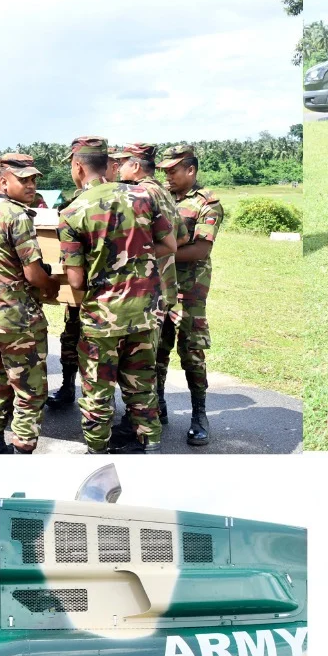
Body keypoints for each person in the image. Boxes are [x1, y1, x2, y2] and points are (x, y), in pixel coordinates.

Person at [58, 136, 174, 454]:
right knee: (142, 384)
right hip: (146, 311)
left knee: (97, 389)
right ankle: (148, 445)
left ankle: (97, 449)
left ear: (78, 166)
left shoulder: (72, 212)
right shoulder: (142, 196)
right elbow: (170, 245)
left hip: (102, 318)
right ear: (106, 164)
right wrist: (137, 261)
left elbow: (77, 280)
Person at [0, 151, 61, 454]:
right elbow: (33, 273)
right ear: (5, 181)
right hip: (17, 320)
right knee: (29, 390)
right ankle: (22, 451)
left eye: (34, 179)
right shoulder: (18, 217)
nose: (31, 185)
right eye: (24, 179)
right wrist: (50, 288)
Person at [114, 144, 185, 447]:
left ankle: (139, 426)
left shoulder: (141, 194)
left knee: (139, 364)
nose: (116, 168)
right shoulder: (164, 192)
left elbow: (164, 243)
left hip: (148, 288)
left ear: (134, 165)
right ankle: (151, 417)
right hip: (165, 286)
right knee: (152, 359)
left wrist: (131, 255)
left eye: (120, 163)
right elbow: (179, 236)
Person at [159, 143, 224, 447]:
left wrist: (157, 253)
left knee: (192, 355)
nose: (167, 176)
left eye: (173, 170)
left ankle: (199, 415)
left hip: (189, 291)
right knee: (156, 351)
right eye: (164, 171)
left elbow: (201, 249)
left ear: (191, 170)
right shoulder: (158, 197)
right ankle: (156, 407)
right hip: (159, 288)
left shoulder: (206, 204)